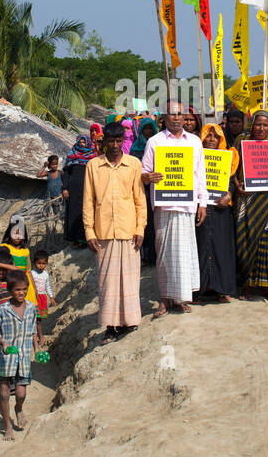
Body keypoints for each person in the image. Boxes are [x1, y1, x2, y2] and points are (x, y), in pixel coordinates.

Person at [141, 101, 208, 317]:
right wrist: (148, 177)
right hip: (164, 204)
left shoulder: (195, 142)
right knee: (164, 253)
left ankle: (180, 298)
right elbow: (143, 172)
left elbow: (200, 176)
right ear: (164, 118)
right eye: (172, 114)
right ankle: (164, 299)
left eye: (181, 114)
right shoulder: (155, 142)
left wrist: (203, 203)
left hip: (187, 204)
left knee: (185, 252)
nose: (177, 118)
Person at [84, 119, 148, 341]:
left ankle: (129, 322)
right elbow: (88, 202)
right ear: (104, 143)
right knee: (107, 281)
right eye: (110, 140)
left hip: (129, 230)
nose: (114, 145)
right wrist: (89, 233)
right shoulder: (93, 166)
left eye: (118, 140)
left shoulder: (133, 165)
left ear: (123, 141)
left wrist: (140, 229)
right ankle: (110, 326)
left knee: (129, 279)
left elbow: (140, 199)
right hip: (103, 233)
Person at [232, 110, 268, 301]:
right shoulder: (240, 142)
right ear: (251, 125)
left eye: (265, 125)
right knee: (245, 237)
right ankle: (246, 284)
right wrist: (238, 186)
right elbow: (232, 168)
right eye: (258, 124)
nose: (261, 128)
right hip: (247, 199)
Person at [0, 273, 41, 440]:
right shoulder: (1, 310)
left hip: (24, 357)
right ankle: (7, 426)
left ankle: (18, 408)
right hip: (5, 358)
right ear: (10, 290)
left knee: (20, 393)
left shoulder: (32, 307)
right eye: (18, 290)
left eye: (24, 289)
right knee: (4, 393)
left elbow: (33, 330)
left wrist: (37, 348)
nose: (21, 293)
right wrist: (3, 343)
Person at [196, 124, 238, 301]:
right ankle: (198, 289)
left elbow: (232, 182)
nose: (212, 139)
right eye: (208, 135)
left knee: (222, 247)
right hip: (201, 208)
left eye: (216, 136)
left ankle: (223, 289)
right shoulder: (194, 157)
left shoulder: (229, 157)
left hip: (221, 209)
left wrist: (229, 195)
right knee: (201, 246)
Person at [61, 128, 100, 245]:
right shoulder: (72, 155)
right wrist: (65, 188)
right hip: (73, 189)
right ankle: (74, 239)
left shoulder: (93, 156)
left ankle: (85, 239)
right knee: (73, 212)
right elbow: (66, 173)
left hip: (88, 189)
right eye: (80, 142)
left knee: (86, 212)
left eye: (84, 142)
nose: (82, 144)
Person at [31, 251, 52, 318]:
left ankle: (39, 328)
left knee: (40, 318)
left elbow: (48, 286)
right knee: (34, 317)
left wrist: (51, 297)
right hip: (34, 297)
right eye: (39, 263)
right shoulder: (32, 273)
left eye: (43, 263)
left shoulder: (46, 274)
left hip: (43, 297)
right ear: (34, 263)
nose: (41, 265)